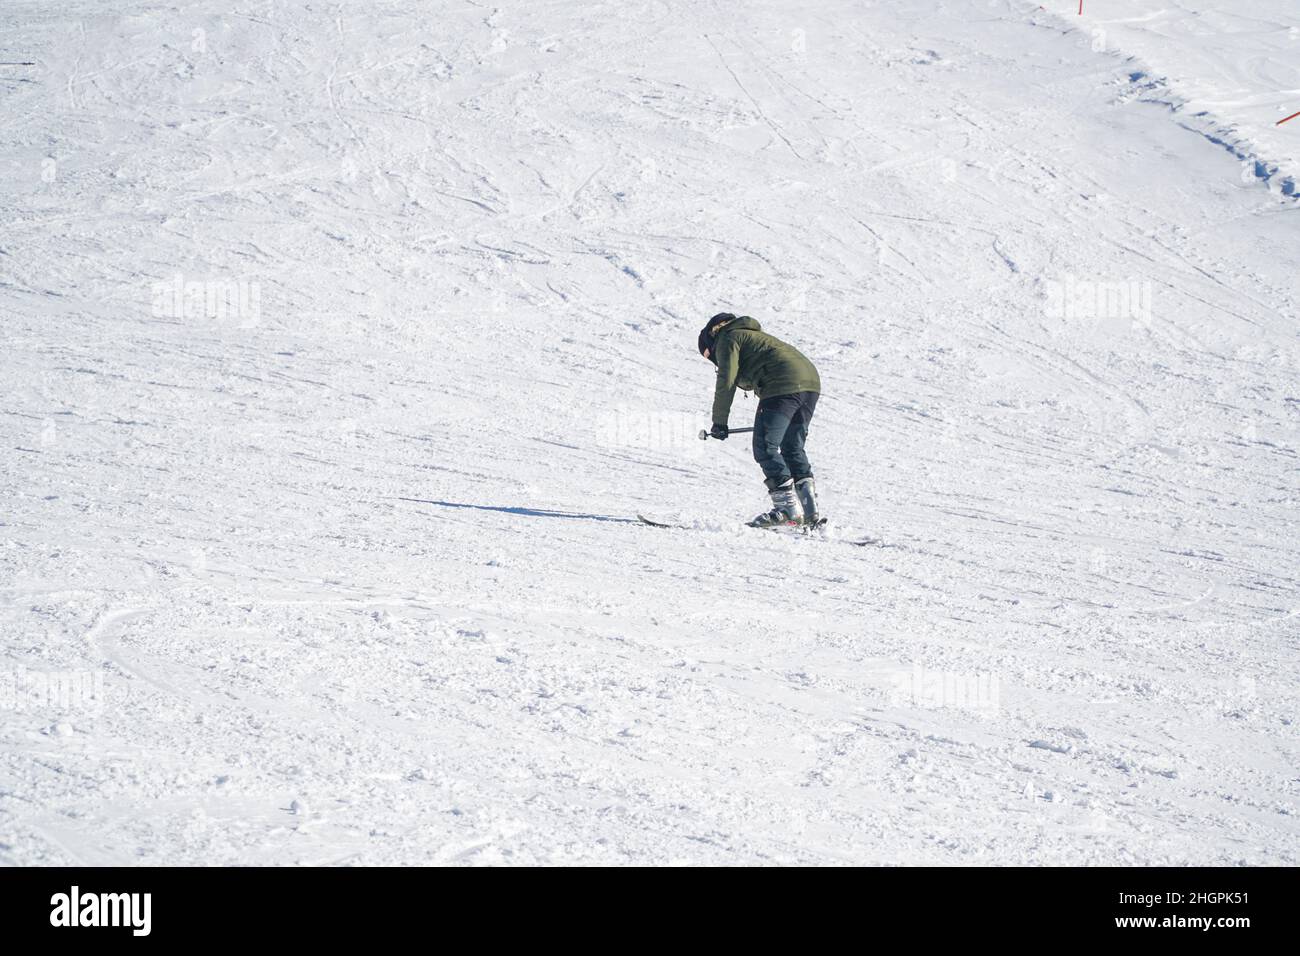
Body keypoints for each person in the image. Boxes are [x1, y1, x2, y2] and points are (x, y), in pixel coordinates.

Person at [697, 313, 823, 527]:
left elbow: (727, 379)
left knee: (765, 446)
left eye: (709, 355)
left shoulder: (728, 339)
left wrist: (719, 422)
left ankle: (787, 510)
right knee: (792, 446)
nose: (713, 360)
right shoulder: (751, 336)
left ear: (711, 338)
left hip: (782, 384)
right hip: (810, 383)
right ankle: (811, 512)